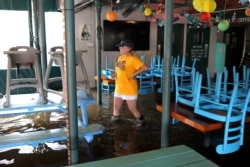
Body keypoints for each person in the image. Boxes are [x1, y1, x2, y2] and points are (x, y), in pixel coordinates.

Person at [111, 40, 149, 127]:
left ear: (128, 49)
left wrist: (134, 75)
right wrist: (115, 74)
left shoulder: (133, 59)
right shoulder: (120, 58)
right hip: (119, 87)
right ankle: (115, 126)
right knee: (116, 107)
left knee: (132, 109)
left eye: (122, 47)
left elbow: (145, 68)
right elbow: (119, 70)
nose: (119, 48)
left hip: (129, 88)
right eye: (119, 47)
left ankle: (142, 121)